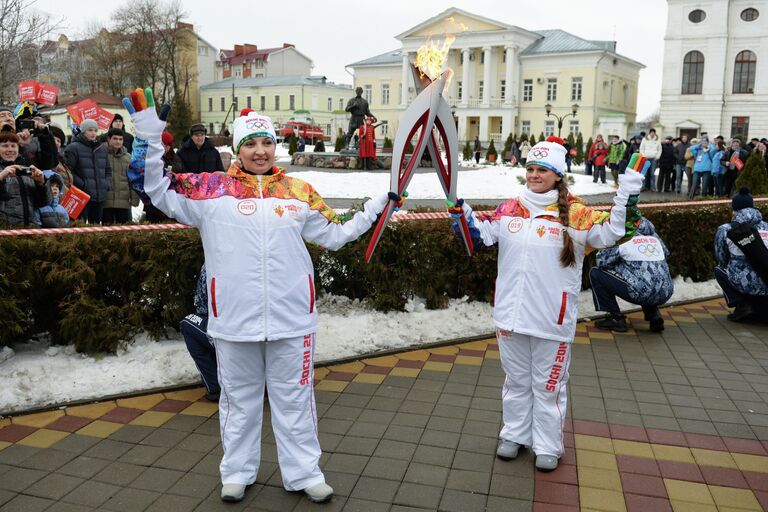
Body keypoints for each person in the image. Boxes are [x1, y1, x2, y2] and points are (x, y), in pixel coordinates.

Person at [128, 90, 397, 504]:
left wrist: (379, 203)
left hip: (293, 319)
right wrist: (147, 138)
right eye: (250, 143)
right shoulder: (210, 189)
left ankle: (304, 472)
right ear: (237, 149)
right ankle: (236, 471)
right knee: (239, 400)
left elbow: (337, 230)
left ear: (276, 145)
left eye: (267, 142)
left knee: (295, 401)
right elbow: (155, 188)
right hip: (234, 319)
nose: (260, 151)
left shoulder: (297, 191)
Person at [448, 136, 643, 472]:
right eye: (531, 168)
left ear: (557, 175)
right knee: (516, 382)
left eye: (542, 169)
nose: (534, 174)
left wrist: (627, 195)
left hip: (553, 319)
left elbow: (616, 231)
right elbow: (478, 239)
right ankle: (514, 434)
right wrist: (461, 214)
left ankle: (548, 444)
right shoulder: (510, 208)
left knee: (548, 386)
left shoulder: (577, 214)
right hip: (510, 316)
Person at [590, 218, 674, 332]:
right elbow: (666, 253)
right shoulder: (654, 238)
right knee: (647, 275)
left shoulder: (623, 239)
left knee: (595, 273)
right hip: (666, 291)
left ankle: (616, 319)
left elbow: (601, 262)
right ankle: (654, 315)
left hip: (642, 292)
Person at [714, 187, 768, 321]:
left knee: (719, 269)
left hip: (744, 284)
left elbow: (721, 258)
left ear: (735, 210)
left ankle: (742, 304)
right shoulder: (766, 226)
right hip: (767, 277)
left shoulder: (726, 229)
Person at [180, 264, 220, 402]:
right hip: (269, 333)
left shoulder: (213, 262)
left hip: (229, 332)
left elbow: (202, 302)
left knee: (188, 323)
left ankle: (215, 387)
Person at [63, 119, 112, 224]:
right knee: (80, 227)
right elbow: (67, 171)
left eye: (95, 130)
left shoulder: (101, 148)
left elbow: (108, 170)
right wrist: (83, 185)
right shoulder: (73, 148)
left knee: (95, 228)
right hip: (81, 196)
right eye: (90, 130)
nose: (93, 133)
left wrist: (106, 184)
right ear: (83, 131)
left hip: (99, 196)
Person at [0, 131, 47, 227]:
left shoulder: (25, 168)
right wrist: (1, 177)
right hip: (5, 232)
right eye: (5, 146)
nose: (10, 149)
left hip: (30, 228)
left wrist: (41, 183)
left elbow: (42, 202)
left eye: (13, 146)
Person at [103, 128, 138, 224]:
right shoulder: (101, 154)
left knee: (122, 232)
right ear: (108, 139)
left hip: (123, 202)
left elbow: (132, 180)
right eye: (115, 139)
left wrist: (134, 198)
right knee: (106, 231)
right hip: (106, 202)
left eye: (120, 139)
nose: (118, 141)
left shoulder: (128, 157)